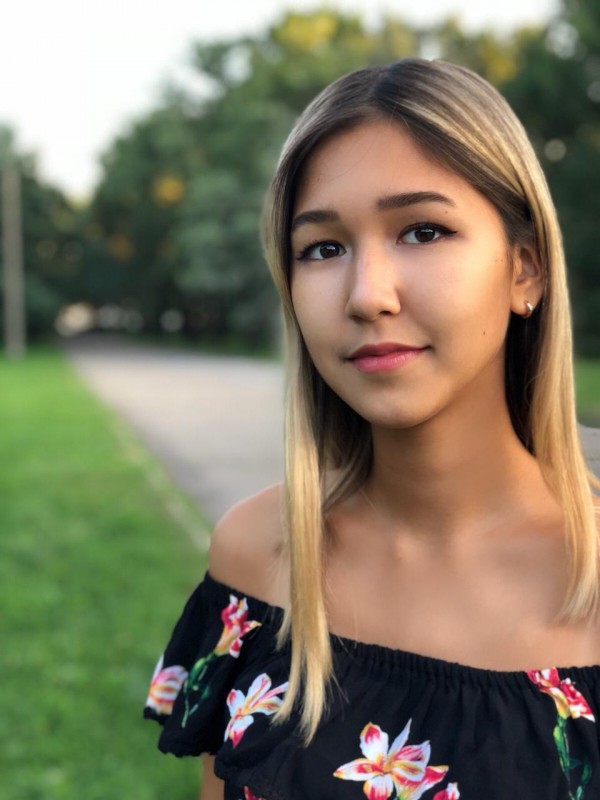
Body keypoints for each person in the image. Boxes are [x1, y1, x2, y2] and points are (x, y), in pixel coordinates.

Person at [144, 58, 600, 799]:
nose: (366, 295)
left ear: (525, 270)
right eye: (323, 248)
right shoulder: (255, 558)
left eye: (422, 230)